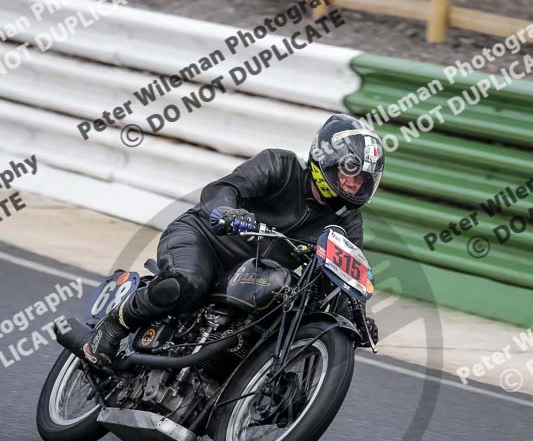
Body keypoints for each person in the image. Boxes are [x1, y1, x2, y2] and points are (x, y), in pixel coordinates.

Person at [83, 114, 384, 367]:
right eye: (350, 171)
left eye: (361, 179)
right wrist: (227, 211)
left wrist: (355, 315)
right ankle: (114, 325)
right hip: (207, 240)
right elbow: (223, 189)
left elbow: (345, 273)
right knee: (186, 283)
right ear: (326, 156)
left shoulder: (347, 222)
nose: (353, 183)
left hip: (256, 274)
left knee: (280, 323)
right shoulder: (280, 165)